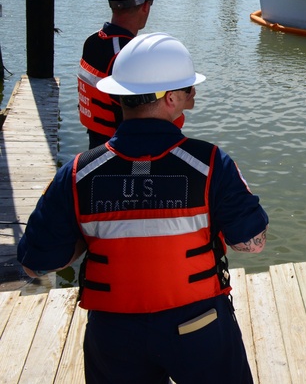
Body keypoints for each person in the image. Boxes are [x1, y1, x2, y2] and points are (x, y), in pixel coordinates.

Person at [18, 32, 269, 384]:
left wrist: (87, 239)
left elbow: (34, 264)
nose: (193, 94)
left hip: (114, 338)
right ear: (170, 99)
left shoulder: (77, 173)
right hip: (198, 329)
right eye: (188, 88)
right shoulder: (210, 164)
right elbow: (252, 242)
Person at [78, 0, 159, 148]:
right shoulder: (127, 55)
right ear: (145, 6)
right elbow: (144, 116)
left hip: (96, 146)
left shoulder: (92, 42)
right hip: (121, 153)